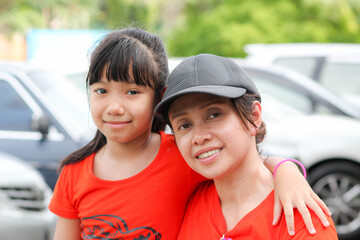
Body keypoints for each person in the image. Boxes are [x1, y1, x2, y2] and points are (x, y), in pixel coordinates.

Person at [49, 28, 331, 240]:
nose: (114, 107)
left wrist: (286, 171)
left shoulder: (179, 156)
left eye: (132, 92)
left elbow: (244, 161)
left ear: (156, 99)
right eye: (100, 90)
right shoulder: (75, 173)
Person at [155, 53, 338, 239]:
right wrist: (284, 166)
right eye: (184, 125)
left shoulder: (304, 221)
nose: (199, 137)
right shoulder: (186, 196)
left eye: (214, 115)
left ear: (254, 117)